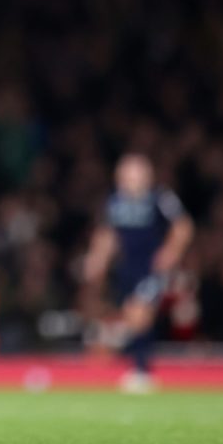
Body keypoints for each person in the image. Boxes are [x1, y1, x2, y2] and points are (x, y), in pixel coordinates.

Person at [83, 153, 195, 393]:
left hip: (151, 268)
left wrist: (170, 252)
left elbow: (183, 226)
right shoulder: (114, 202)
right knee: (131, 316)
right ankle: (139, 367)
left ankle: (142, 370)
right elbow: (106, 234)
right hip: (126, 269)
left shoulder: (160, 198)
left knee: (138, 311)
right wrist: (98, 258)